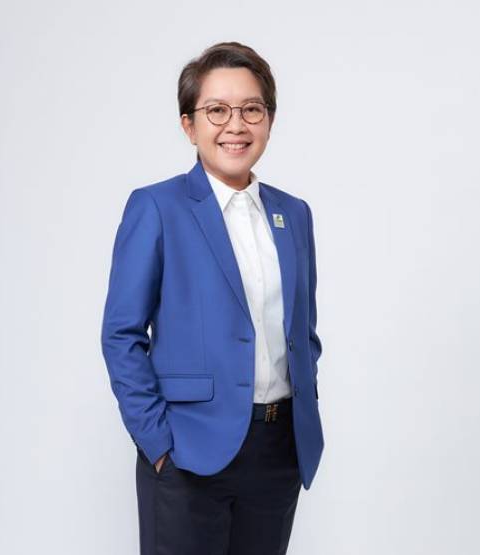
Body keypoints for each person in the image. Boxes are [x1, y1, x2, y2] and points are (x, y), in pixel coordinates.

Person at [100, 41, 324, 555]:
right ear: (189, 125)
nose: (235, 126)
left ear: (269, 119)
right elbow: (121, 335)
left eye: (251, 109)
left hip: (278, 452)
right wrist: (158, 443)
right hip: (188, 451)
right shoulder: (157, 207)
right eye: (217, 110)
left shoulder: (294, 214)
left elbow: (303, 331)